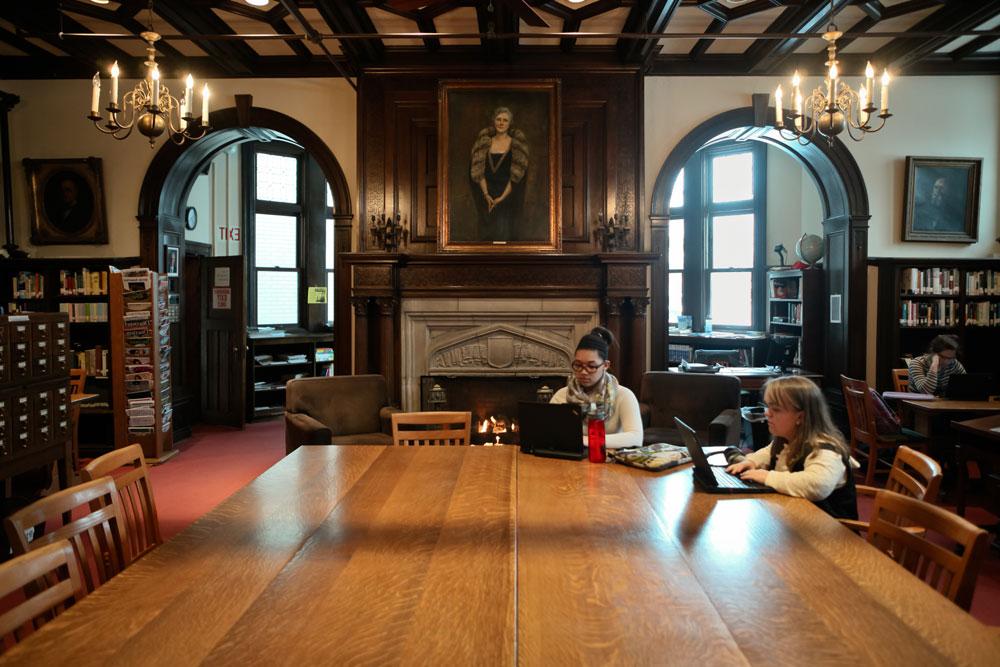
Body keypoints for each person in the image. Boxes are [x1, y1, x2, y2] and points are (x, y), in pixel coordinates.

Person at [725, 375, 858, 519]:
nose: (767, 413)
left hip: (831, 535)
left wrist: (768, 477)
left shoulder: (825, 450)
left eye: (775, 409)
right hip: (798, 522)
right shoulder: (787, 440)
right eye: (767, 406)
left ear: (800, 417)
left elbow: (817, 486)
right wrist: (750, 462)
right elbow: (766, 453)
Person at [550, 326, 643, 449]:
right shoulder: (562, 395)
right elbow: (549, 432)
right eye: (578, 365)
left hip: (611, 462)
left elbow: (636, 438)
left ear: (605, 365)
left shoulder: (623, 395)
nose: (583, 372)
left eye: (591, 366)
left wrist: (585, 440)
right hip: (572, 461)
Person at [470, 106, 528, 242]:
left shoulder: (516, 145)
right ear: (494, 121)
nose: (501, 123)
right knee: (486, 235)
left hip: (507, 196)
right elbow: (478, 171)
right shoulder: (484, 142)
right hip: (486, 196)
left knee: (505, 233)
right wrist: (486, 195)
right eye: (498, 119)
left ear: (510, 124)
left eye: (505, 120)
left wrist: (501, 198)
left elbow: (516, 176)